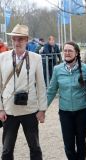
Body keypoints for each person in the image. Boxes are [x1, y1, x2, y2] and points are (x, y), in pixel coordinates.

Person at [0, 24, 47, 160]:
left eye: (20, 39)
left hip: (30, 110)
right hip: (9, 110)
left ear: (26, 40)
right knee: (7, 150)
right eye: (14, 39)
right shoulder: (2, 57)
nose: (16, 42)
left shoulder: (36, 58)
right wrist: (0, 109)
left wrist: (42, 109)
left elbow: (41, 85)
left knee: (35, 148)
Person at [47, 41, 86, 160]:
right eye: (65, 50)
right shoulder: (57, 69)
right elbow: (51, 90)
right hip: (65, 112)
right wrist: (42, 109)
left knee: (81, 141)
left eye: (70, 51)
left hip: (83, 111)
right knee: (68, 144)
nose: (67, 53)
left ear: (76, 53)